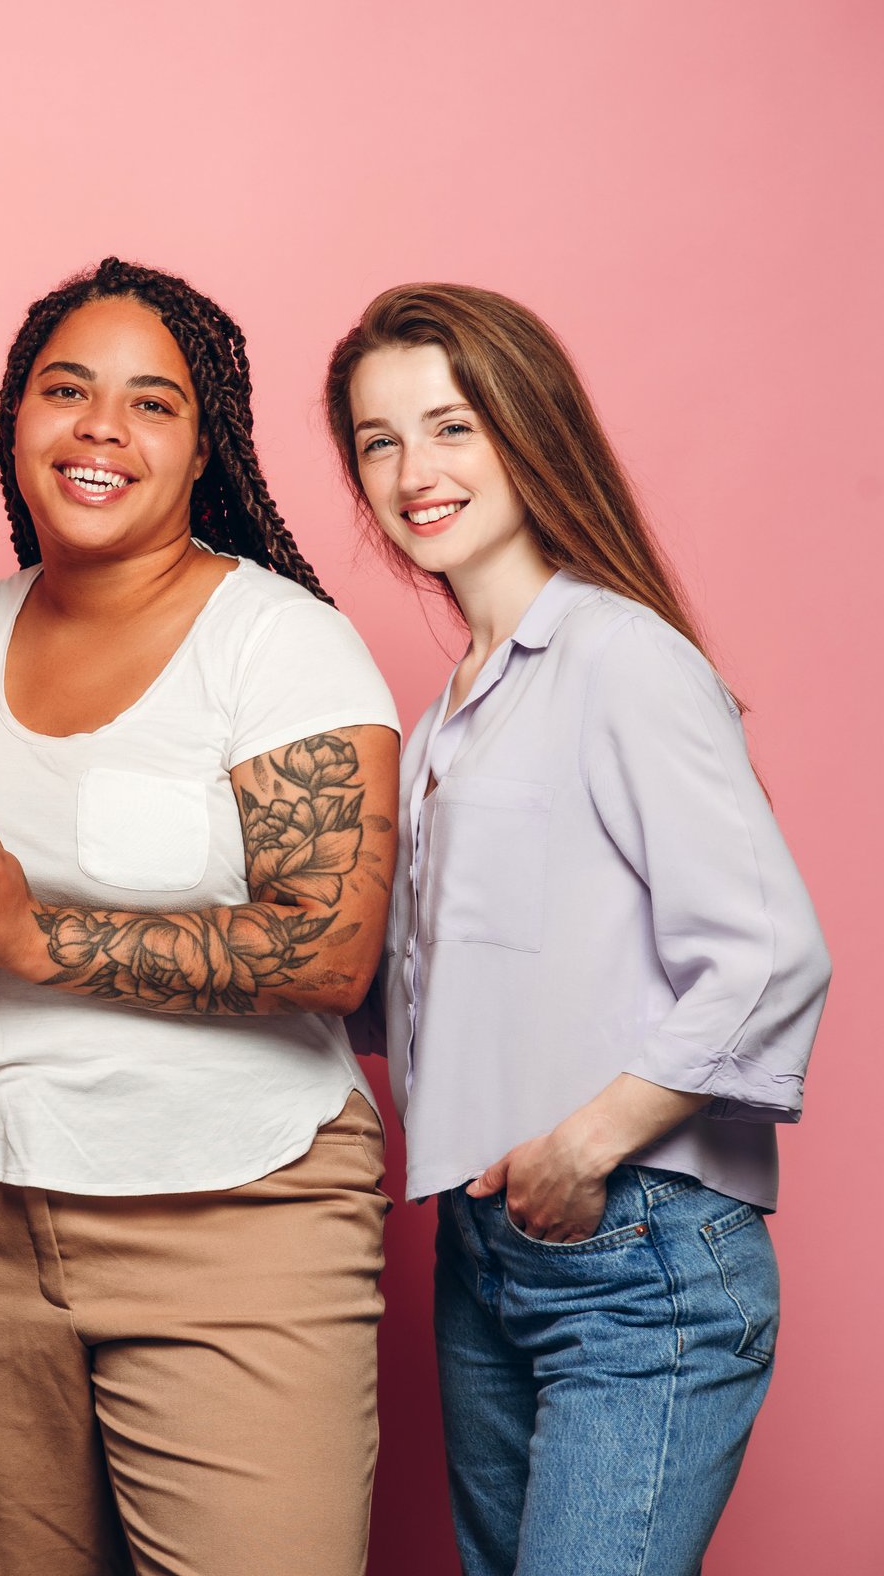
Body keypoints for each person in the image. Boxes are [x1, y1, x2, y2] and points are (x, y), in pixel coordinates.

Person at [0, 258, 399, 1576]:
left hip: (239, 1215)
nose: (101, 429)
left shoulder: (277, 643)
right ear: (14, 420)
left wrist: (36, 931)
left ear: (202, 445)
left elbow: (333, 948)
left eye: (151, 404)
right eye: (67, 390)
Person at [325, 283, 829, 1576]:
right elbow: (427, 999)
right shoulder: (442, 728)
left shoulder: (619, 658)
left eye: (450, 426)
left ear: (528, 428)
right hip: (484, 1255)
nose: (412, 472)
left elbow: (769, 953)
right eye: (378, 441)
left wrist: (584, 1145)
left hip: (634, 1244)